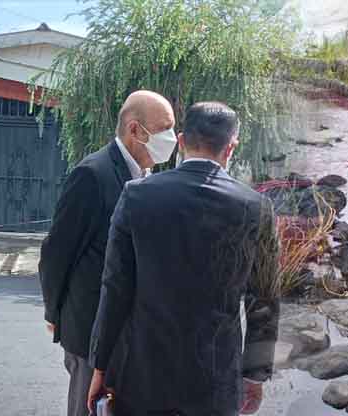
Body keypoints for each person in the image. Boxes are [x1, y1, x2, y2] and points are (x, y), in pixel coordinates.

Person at [86, 102, 281, 415]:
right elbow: (264, 302)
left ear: (180, 141)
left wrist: (100, 366)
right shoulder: (256, 208)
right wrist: (255, 376)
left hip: (142, 376)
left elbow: (115, 288)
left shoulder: (136, 196)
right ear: (230, 148)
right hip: (214, 381)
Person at [38, 90, 179, 416]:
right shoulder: (94, 175)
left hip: (132, 334)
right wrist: (54, 315)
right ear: (134, 130)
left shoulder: (147, 177)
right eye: (164, 128)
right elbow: (56, 253)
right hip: (91, 330)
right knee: (90, 409)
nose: (171, 138)